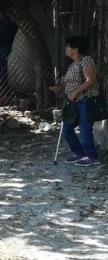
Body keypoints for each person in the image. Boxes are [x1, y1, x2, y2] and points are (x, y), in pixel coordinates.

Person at [49, 36, 102, 166]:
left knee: (84, 130)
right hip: (73, 103)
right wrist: (60, 88)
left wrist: (74, 93)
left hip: (84, 101)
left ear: (76, 49)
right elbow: (69, 83)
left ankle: (92, 157)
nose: (65, 48)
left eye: (68, 46)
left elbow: (90, 80)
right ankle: (79, 153)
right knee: (67, 129)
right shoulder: (72, 65)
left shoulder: (86, 61)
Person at [0, 6, 18, 97]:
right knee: (1, 69)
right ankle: (3, 90)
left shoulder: (9, 23)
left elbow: (8, 36)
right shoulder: (0, 23)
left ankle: (1, 91)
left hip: (3, 48)